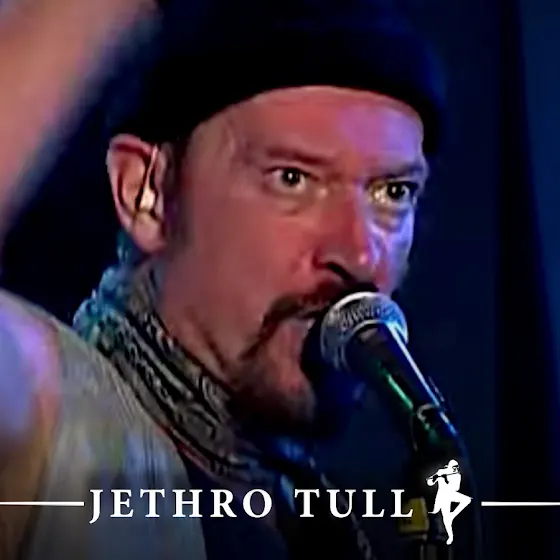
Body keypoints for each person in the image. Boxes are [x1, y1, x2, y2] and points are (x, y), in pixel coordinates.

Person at [0, 0, 447, 558]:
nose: (359, 254)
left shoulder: (314, 517)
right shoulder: (54, 417)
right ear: (146, 193)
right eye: (292, 178)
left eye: (393, 193)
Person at [427, 460, 473, 545]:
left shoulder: (457, 475)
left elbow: (455, 488)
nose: (455, 469)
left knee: (467, 500)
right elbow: (429, 482)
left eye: (456, 467)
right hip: (443, 496)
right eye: (454, 467)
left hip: (450, 494)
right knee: (444, 519)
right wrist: (437, 477)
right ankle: (447, 535)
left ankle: (452, 515)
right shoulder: (441, 472)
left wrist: (446, 480)